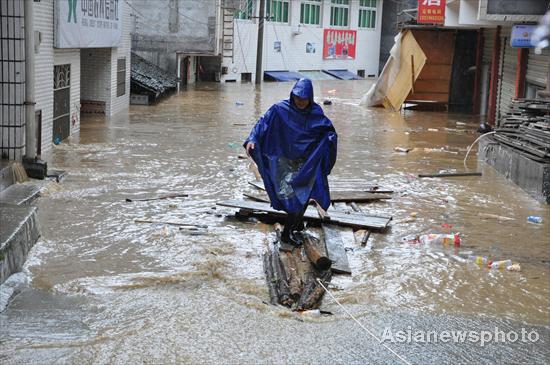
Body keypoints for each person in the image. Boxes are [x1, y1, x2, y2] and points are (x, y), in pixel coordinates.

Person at [244, 78, 337, 246]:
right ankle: (287, 233)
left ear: (310, 97)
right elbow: (262, 123)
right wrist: (253, 138)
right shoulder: (280, 110)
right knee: (293, 198)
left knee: (303, 197)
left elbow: (328, 130)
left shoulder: (315, 112)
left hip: (306, 164)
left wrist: (330, 139)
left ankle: (295, 225)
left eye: (304, 98)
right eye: (297, 98)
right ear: (292, 96)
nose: (300, 102)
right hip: (284, 161)